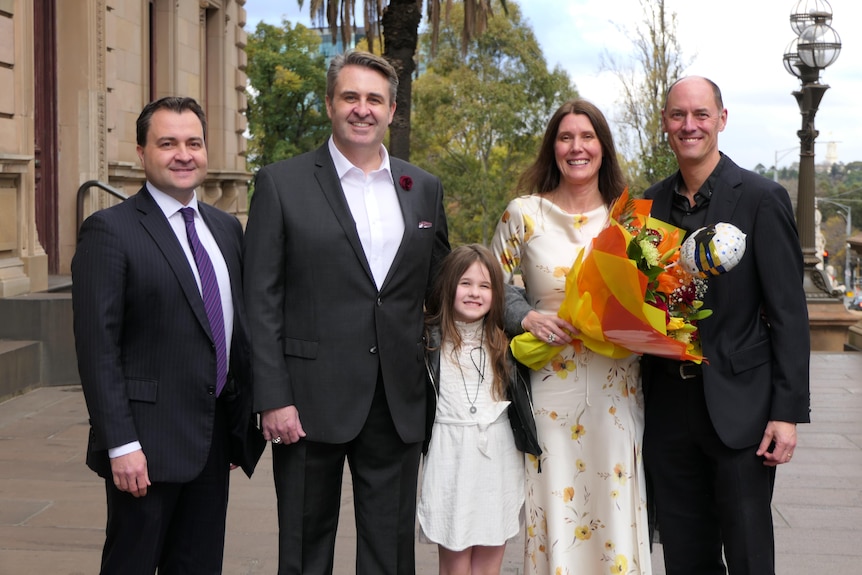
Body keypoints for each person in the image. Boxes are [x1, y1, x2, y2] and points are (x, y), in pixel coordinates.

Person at [243, 50, 450, 575]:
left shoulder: (422, 188)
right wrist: (272, 397)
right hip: (306, 404)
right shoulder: (280, 182)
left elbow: (440, 287)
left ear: (392, 110)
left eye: (374, 99)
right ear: (330, 103)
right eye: (351, 97)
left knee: (391, 554)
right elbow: (260, 299)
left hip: (396, 401)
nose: (363, 109)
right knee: (305, 552)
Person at [72, 96, 265, 574]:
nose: (184, 154)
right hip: (145, 446)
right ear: (141, 153)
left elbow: (235, 334)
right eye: (168, 143)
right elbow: (99, 349)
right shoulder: (109, 231)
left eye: (194, 143)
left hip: (213, 442)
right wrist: (121, 444)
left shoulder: (224, 229)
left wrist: (238, 423)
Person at [640, 76, 810, 574]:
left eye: (700, 115)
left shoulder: (762, 198)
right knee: (684, 556)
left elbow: (789, 313)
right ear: (665, 124)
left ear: (721, 119)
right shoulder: (649, 206)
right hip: (669, 411)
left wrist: (787, 413)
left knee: (749, 554)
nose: (688, 125)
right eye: (677, 115)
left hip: (743, 411)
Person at [493, 99, 651, 574]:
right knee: (555, 511)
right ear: (552, 147)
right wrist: (525, 317)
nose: (576, 147)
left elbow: (654, 297)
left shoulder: (629, 218)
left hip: (616, 390)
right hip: (549, 389)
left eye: (587, 137)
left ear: (603, 147)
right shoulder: (524, 213)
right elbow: (488, 284)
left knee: (616, 508)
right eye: (566, 137)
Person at [418, 244, 540, 575]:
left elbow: (518, 300)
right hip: (450, 455)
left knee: (489, 559)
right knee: (455, 561)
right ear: (448, 286)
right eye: (466, 283)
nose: (475, 293)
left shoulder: (506, 340)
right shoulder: (428, 339)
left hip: (497, 457)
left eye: (485, 286)